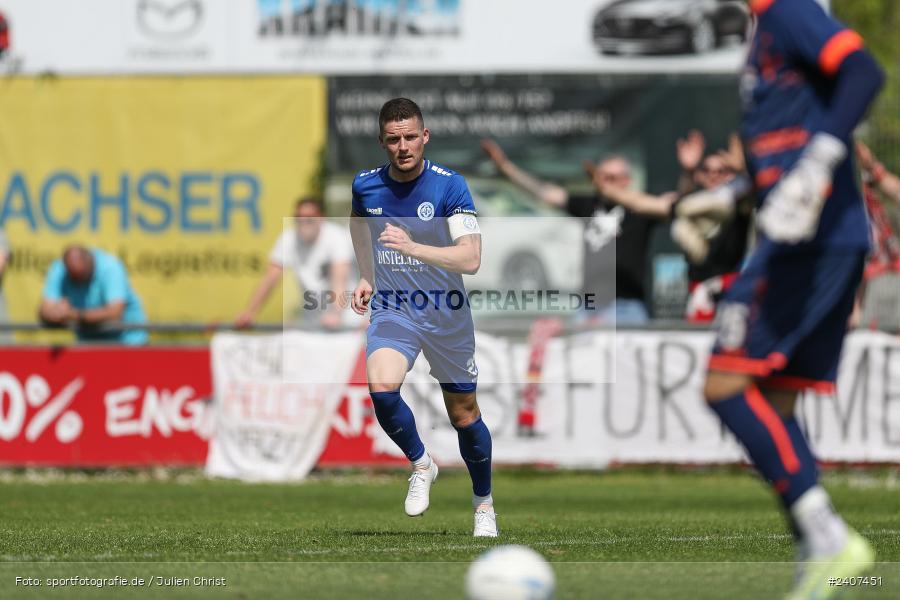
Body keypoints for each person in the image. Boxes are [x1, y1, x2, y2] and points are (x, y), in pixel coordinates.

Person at [703, 1, 883, 598]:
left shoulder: (788, 11)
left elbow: (864, 72)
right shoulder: (761, 31)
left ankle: (828, 536)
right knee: (775, 408)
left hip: (813, 242)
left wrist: (817, 166)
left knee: (725, 387)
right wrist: (743, 191)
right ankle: (819, 557)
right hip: (818, 240)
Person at [349, 98, 497, 537]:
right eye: (393, 139)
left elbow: (470, 259)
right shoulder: (365, 185)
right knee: (381, 387)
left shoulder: (450, 186)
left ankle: (483, 504)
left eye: (410, 136)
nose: (403, 146)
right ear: (382, 142)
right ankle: (421, 463)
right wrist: (366, 274)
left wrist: (412, 247)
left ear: (425, 136)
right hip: (395, 310)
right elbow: (358, 223)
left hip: (446, 315)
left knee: (465, 415)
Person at [481, 139, 652, 324]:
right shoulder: (590, 205)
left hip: (626, 306)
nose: (606, 184)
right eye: (602, 177)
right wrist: (506, 167)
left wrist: (687, 172)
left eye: (612, 178)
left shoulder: (641, 209)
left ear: (626, 180)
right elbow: (545, 193)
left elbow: (673, 206)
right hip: (590, 305)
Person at [596, 134, 753, 321]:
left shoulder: (737, 198)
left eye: (721, 170)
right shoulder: (691, 204)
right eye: (707, 170)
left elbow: (749, 190)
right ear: (699, 175)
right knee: (681, 222)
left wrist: (744, 169)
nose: (713, 175)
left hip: (733, 296)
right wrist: (687, 171)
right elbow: (646, 204)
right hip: (700, 297)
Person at [236, 197, 356, 330]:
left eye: (309, 218)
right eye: (299, 217)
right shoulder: (288, 238)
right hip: (312, 320)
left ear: (321, 218)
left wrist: (335, 313)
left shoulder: (337, 237)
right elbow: (270, 278)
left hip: (348, 319)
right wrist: (251, 311)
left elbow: (339, 278)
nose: (303, 222)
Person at [39, 245, 148, 345]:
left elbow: (115, 313)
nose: (78, 282)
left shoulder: (110, 267)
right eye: (73, 277)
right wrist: (56, 313)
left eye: (81, 276)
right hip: (88, 344)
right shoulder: (59, 269)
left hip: (127, 343)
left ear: (91, 263)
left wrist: (73, 315)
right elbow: (44, 310)